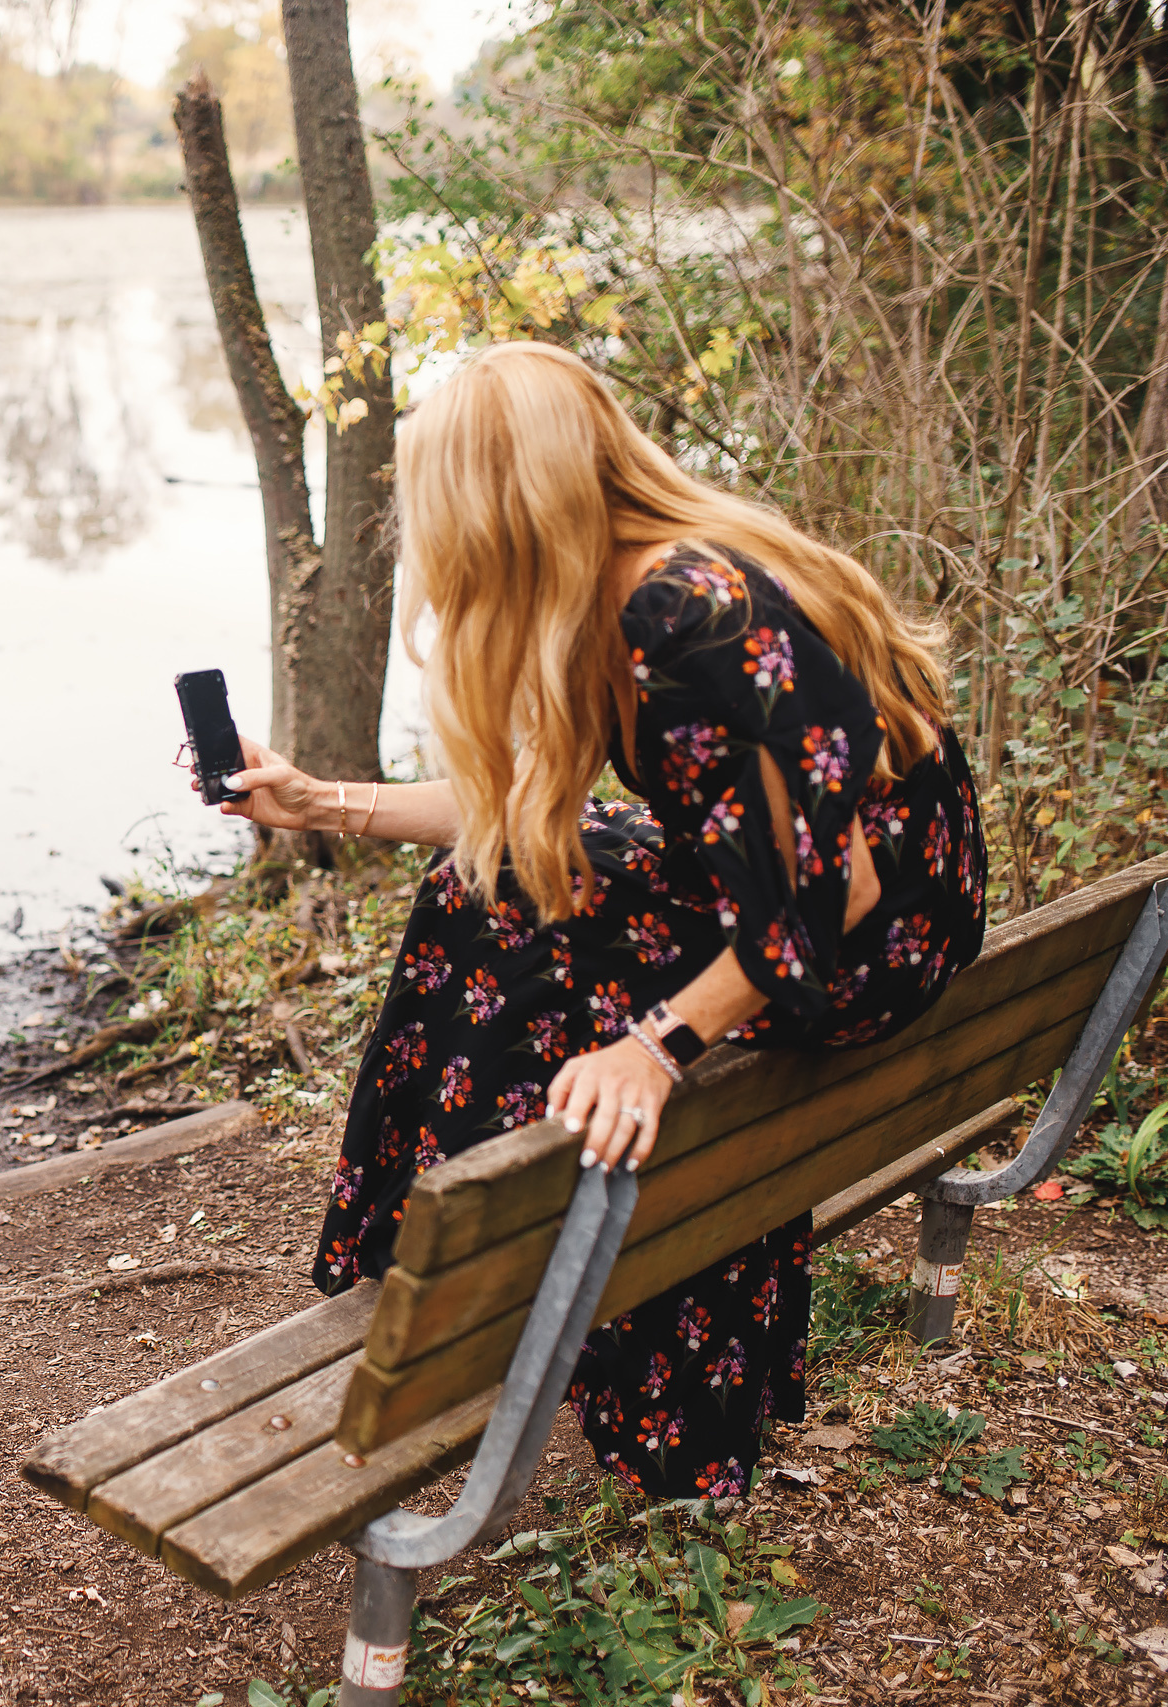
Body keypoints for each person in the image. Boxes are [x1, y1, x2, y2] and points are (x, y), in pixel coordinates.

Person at [217, 341, 986, 1498]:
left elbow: (837, 895)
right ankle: (473, 1262)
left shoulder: (690, 615)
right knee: (493, 885)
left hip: (867, 951)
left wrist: (656, 1044)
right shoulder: (622, 588)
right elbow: (526, 813)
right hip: (835, 915)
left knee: (546, 966)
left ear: (490, 504)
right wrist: (315, 798)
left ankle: (526, 1291)